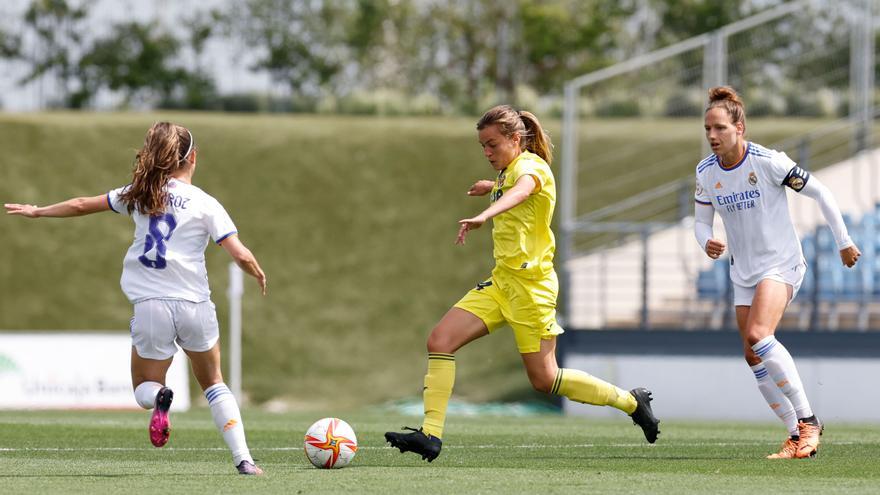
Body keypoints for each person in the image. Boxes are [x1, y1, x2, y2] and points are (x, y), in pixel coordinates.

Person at [385, 105, 660, 462]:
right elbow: (509, 187)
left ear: (516, 139)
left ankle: (630, 402)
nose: (486, 153)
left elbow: (523, 191)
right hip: (502, 284)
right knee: (440, 340)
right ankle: (431, 435)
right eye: (482, 146)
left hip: (532, 290)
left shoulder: (531, 167)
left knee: (545, 380)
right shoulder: (509, 171)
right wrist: (492, 188)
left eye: (492, 145)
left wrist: (486, 212)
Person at [5, 122, 268, 475]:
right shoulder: (206, 204)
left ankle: (161, 398)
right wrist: (256, 271)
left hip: (151, 306)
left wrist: (39, 211)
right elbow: (238, 252)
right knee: (214, 383)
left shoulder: (140, 193)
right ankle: (244, 461)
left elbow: (82, 205)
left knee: (144, 385)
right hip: (195, 306)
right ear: (193, 158)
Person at [694, 87, 861, 459]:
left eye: (719, 127)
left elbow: (821, 193)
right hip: (743, 273)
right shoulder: (705, 172)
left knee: (758, 334)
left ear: (739, 128)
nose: (711, 136)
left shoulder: (768, 161)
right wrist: (706, 241)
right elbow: (701, 222)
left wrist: (844, 241)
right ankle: (794, 435)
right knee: (752, 354)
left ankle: (808, 421)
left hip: (781, 263)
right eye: (707, 128)